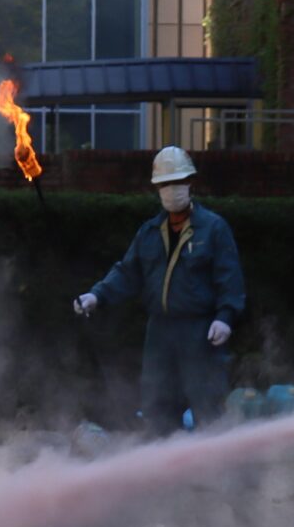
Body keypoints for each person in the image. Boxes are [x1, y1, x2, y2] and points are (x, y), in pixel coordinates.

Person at [74, 146, 247, 434]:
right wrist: (97, 295)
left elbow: (229, 278)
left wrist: (225, 317)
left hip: (199, 331)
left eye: (177, 182)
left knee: (207, 404)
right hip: (160, 332)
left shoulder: (213, 229)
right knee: (158, 404)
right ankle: (167, 459)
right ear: (157, 188)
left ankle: (213, 462)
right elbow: (127, 272)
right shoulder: (150, 233)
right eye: (166, 184)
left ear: (190, 183)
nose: (172, 189)